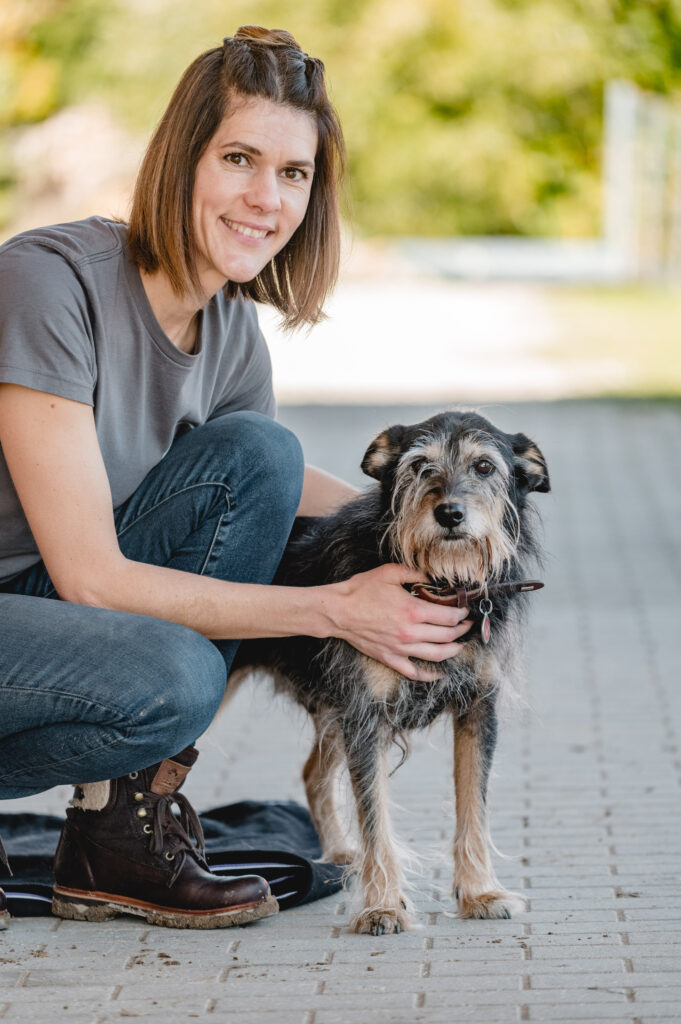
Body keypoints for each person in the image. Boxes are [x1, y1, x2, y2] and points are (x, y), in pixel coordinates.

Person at [0, 26, 471, 930]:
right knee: (174, 675)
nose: (267, 198)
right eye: (240, 159)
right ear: (182, 159)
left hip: (37, 614)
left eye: (293, 174)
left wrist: (440, 521)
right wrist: (335, 609)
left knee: (262, 454)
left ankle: (116, 835)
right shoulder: (46, 283)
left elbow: (282, 488)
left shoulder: (230, 335)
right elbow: (91, 579)